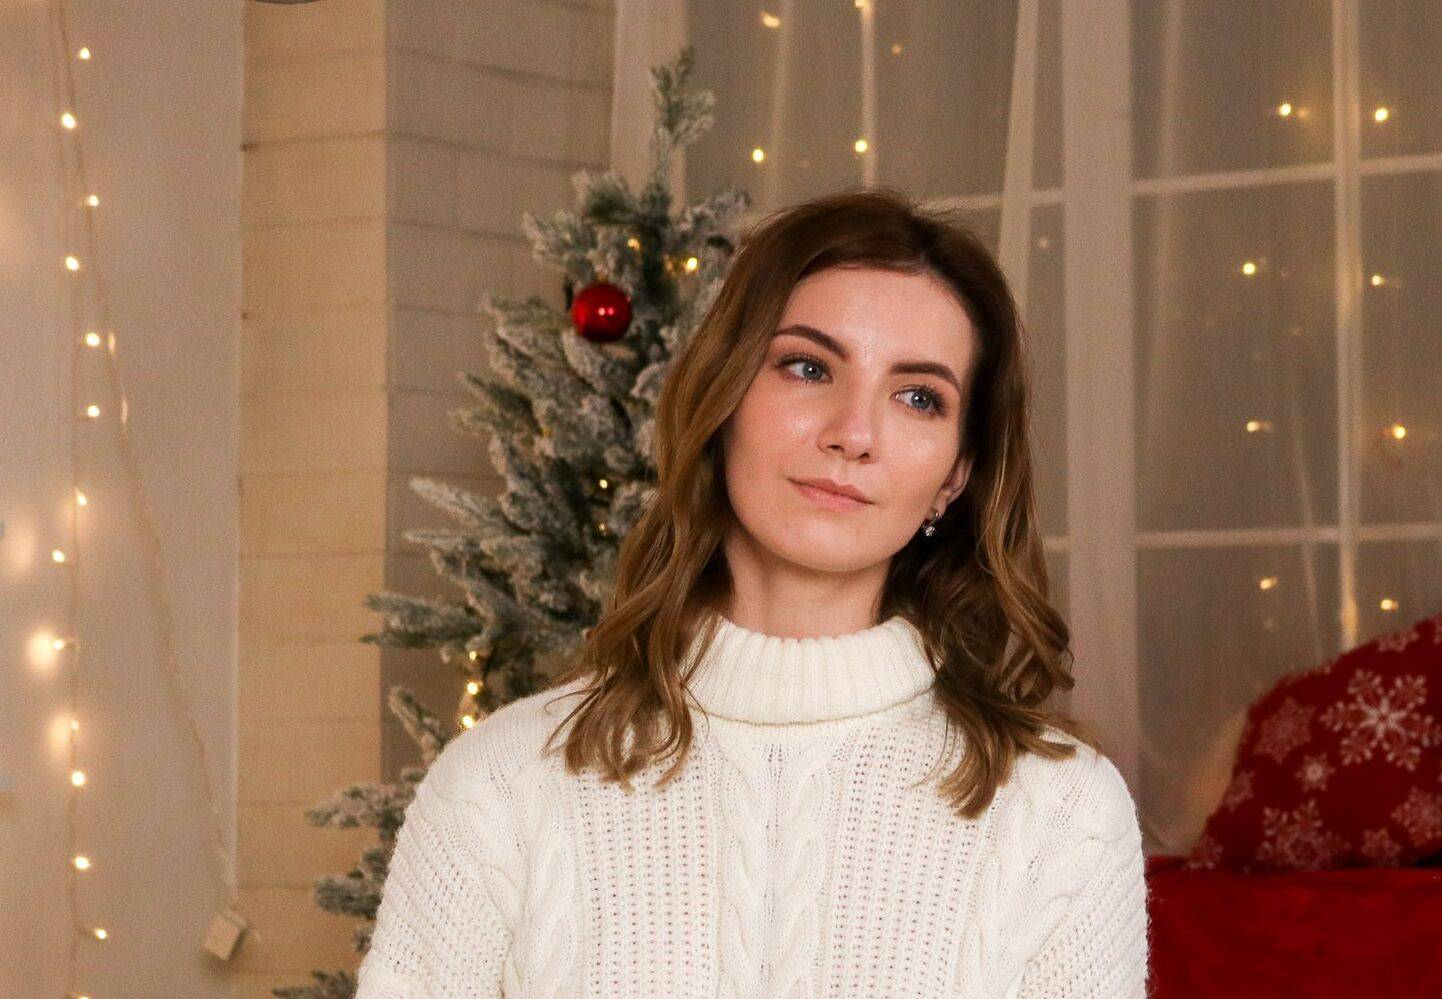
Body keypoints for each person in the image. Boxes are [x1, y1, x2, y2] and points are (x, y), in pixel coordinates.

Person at [355, 186, 1149, 997]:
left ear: (955, 475)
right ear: (723, 397)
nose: (854, 433)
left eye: (919, 397)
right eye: (809, 367)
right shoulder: (501, 783)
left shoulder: (1061, 812)